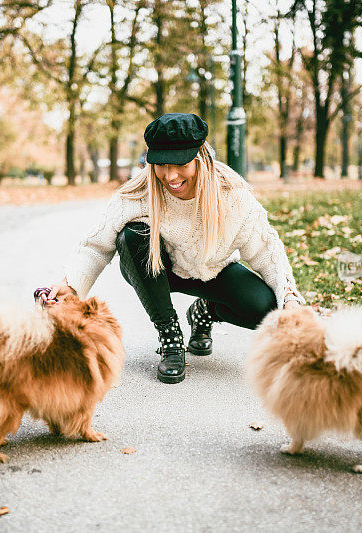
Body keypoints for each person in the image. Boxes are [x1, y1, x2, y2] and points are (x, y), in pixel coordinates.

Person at [43, 113, 305, 384]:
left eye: (180, 163)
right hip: (160, 271)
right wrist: (71, 286)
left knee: (268, 310)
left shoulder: (233, 194)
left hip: (215, 272)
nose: (170, 175)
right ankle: (170, 336)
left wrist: (290, 299)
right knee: (131, 237)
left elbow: (266, 249)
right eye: (161, 164)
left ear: (200, 157)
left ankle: (205, 311)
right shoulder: (139, 192)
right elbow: (96, 245)